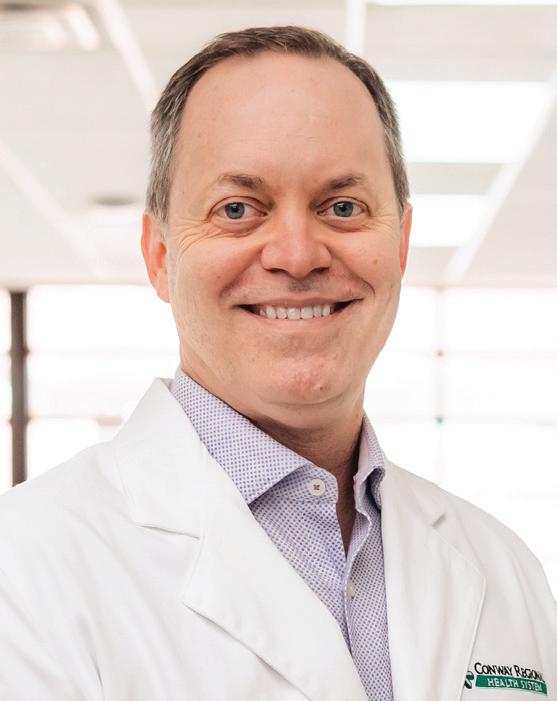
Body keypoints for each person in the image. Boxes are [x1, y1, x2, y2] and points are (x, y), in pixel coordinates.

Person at [0, 25, 555, 701]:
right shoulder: (25, 569)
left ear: (401, 243)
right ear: (159, 255)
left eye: (342, 207)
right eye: (237, 209)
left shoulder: (504, 569)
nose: (296, 255)